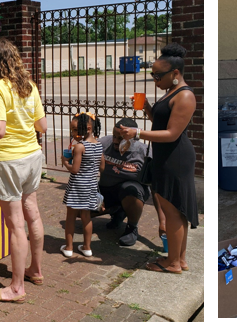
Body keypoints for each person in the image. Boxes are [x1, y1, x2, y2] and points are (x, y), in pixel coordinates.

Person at [0, 39, 47, 302]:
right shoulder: (29, 86)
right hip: (32, 156)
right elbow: (43, 127)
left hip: (8, 160)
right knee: (32, 216)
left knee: (16, 225)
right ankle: (35, 270)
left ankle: (16, 288)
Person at [128, 43, 198, 274]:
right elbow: (161, 124)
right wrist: (148, 108)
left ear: (175, 74)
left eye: (158, 76)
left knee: (173, 211)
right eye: (152, 75)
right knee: (177, 212)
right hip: (166, 155)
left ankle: (173, 262)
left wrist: (137, 133)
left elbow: (171, 133)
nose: (155, 80)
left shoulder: (185, 96)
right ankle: (181, 259)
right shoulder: (171, 93)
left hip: (175, 157)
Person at [96, 118, 154, 247]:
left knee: (129, 189)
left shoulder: (145, 152)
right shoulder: (104, 143)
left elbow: (156, 186)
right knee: (79, 210)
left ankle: (132, 227)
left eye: (121, 138)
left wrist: (163, 221)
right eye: (114, 137)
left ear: (133, 138)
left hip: (132, 192)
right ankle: (117, 211)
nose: (115, 141)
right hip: (107, 190)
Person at [60, 112, 103, 258]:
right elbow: (102, 167)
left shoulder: (80, 147)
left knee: (71, 217)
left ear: (89, 128)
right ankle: (87, 247)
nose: (74, 133)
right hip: (90, 186)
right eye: (72, 130)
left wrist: (65, 162)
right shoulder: (99, 145)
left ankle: (69, 247)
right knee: (86, 217)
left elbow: (75, 170)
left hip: (77, 187)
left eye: (76, 130)